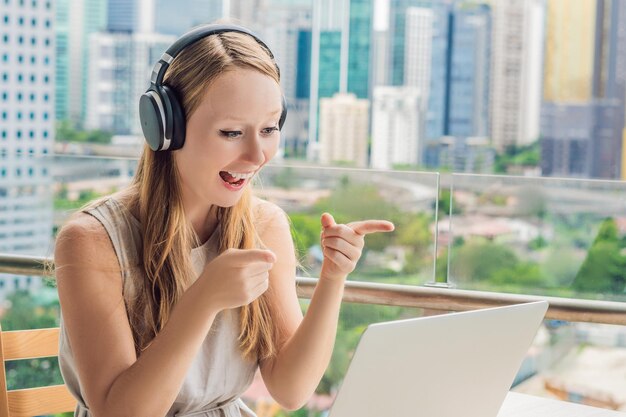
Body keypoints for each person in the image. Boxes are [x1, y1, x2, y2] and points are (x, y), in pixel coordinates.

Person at [54, 23, 394, 417]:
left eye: (269, 129)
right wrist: (202, 300)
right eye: (231, 132)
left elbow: (291, 389)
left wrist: (333, 277)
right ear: (166, 129)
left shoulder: (263, 225)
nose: (257, 155)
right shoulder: (92, 240)